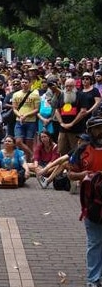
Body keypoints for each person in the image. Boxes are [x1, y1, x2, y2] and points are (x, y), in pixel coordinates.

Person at [68, 116, 102, 287]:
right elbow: (71, 173)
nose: (100, 131)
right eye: (97, 128)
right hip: (91, 204)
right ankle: (93, 279)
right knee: (95, 241)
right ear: (90, 131)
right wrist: (84, 175)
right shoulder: (82, 151)